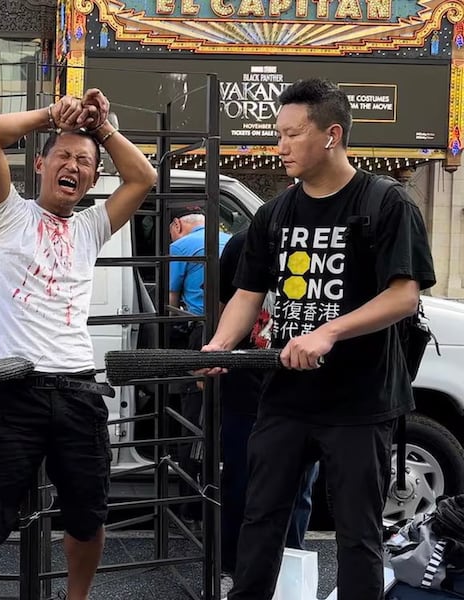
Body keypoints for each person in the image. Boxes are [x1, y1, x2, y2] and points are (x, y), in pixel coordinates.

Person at [202, 78, 435, 600]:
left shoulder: (387, 203)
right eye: (278, 134)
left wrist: (327, 332)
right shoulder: (274, 213)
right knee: (260, 522)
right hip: (285, 397)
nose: (279, 146)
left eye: (292, 134)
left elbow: (403, 296)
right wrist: (221, 345)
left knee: (358, 535)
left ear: (331, 134)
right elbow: (248, 294)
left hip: (360, 399)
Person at [0, 90, 157, 600]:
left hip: (76, 387)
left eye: (84, 162)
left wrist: (102, 127)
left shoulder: (91, 225)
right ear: (40, 163)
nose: (73, 166)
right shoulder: (5, 213)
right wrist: (54, 115)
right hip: (10, 385)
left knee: (88, 516)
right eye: (63, 156)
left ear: (92, 177)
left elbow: (144, 178)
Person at [217, 228, 318, 575]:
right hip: (246, 389)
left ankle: (288, 573)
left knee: (299, 489)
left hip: (303, 390)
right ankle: (233, 571)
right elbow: (225, 304)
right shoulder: (245, 242)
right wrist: (218, 354)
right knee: (241, 486)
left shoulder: (324, 244)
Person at [168, 209, 231, 525]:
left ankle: (190, 507)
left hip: (197, 334)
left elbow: (169, 301)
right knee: (221, 421)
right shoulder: (231, 240)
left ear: (177, 225)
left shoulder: (180, 247)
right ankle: (220, 499)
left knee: (192, 421)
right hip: (232, 333)